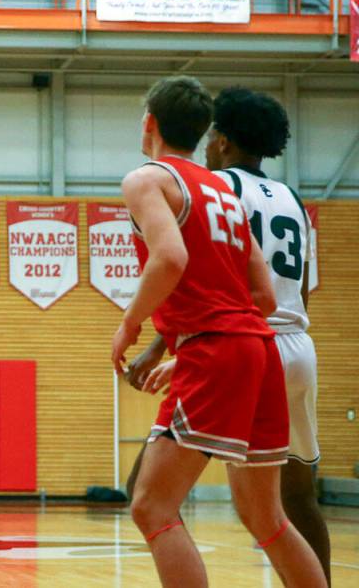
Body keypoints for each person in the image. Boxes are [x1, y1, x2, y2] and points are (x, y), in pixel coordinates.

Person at [113, 75, 326, 587]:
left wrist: (131, 324)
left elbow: (171, 257)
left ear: (149, 124)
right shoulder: (234, 195)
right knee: (272, 516)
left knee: (150, 503)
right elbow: (265, 296)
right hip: (269, 345)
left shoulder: (153, 179)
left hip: (222, 348)